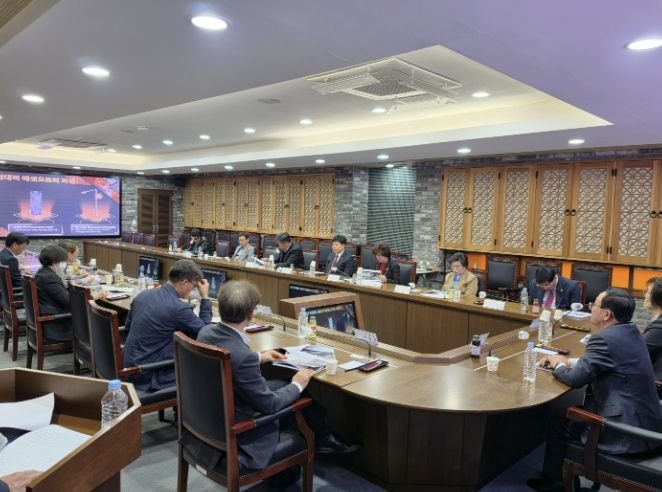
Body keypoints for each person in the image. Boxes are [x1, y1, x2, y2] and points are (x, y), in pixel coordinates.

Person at [196, 280, 360, 471]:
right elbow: (269, 404)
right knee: (299, 392)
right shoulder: (242, 356)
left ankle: (322, 437)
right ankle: (319, 440)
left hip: (210, 413)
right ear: (250, 314)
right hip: (238, 425)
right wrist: (298, 384)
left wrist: (259, 356)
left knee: (282, 383)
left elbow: (230, 358)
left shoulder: (205, 332)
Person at [527, 288, 662, 492]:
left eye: (595, 305)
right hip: (647, 423)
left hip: (626, 433)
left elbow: (575, 379)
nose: (591, 308)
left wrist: (559, 366)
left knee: (559, 418)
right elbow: (605, 361)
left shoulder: (604, 339)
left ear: (607, 314)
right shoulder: (630, 331)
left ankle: (554, 482)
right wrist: (568, 361)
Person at [123, 259, 211, 391]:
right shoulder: (178, 308)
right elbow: (206, 333)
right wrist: (205, 297)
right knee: (204, 370)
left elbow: (128, 327)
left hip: (128, 367)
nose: (193, 290)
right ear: (184, 283)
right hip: (147, 374)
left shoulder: (143, 295)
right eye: (194, 286)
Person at [34, 245, 77, 342]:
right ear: (54, 262)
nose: (63, 264)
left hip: (49, 319)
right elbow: (69, 302)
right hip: (57, 325)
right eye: (62, 261)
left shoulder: (42, 272)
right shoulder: (49, 277)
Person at [643, 277, 662, 380]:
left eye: (647, 292)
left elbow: (635, 349)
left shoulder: (659, 327)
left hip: (656, 382)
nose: (644, 295)